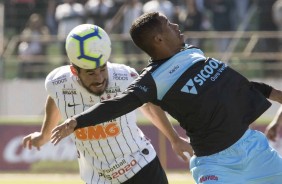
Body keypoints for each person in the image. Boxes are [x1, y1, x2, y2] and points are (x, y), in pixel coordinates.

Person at [50, 12, 282, 183]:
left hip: (254, 148)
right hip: (216, 165)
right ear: (158, 39)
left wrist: (279, 97)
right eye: (168, 24)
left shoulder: (193, 52)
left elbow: (240, 85)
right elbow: (118, 104)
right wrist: (76, 121)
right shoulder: (152, 80)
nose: (176, 25)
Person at [22, 24, 192, 184]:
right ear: (75, 71)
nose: (99, 78)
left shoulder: (125, 76)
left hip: (140, 165)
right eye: (90, 73)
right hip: (98, 177)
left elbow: (148, 106)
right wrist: (44, 135)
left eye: (102, 69)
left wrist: (174, 138)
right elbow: (55, 97)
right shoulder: (57, 82)